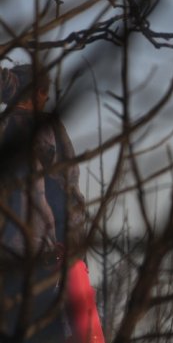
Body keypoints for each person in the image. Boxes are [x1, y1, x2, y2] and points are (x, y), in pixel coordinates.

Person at [0, 64, 105, 342]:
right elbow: (65, 188)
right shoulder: (46, 128)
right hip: (39, 257)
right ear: (40, 93)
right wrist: (75, 248)